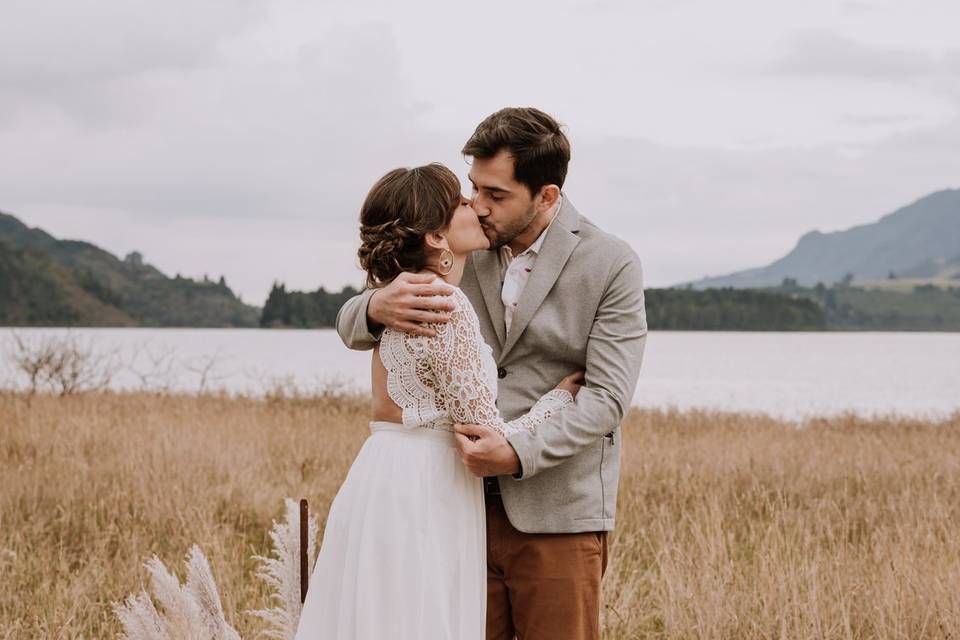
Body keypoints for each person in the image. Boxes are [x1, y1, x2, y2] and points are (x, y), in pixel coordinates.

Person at [337, 107, 647, 640]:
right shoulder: (463, 245)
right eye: (475, 188)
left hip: (555, 514)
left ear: (547, 196)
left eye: (496, 195)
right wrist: (373, 306)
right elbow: (353, 323)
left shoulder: (611, 262)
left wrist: (518, 451)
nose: (479, 206)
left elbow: (607, 398)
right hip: (454, 510)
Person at [294, 163, 584, 640]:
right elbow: (482, 435)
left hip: (381, 474)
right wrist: (555, 403)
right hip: (426, 486)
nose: (476, 206)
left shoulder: (406, 292)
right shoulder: (444, 304)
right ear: (435, 237)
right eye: (463, 202)